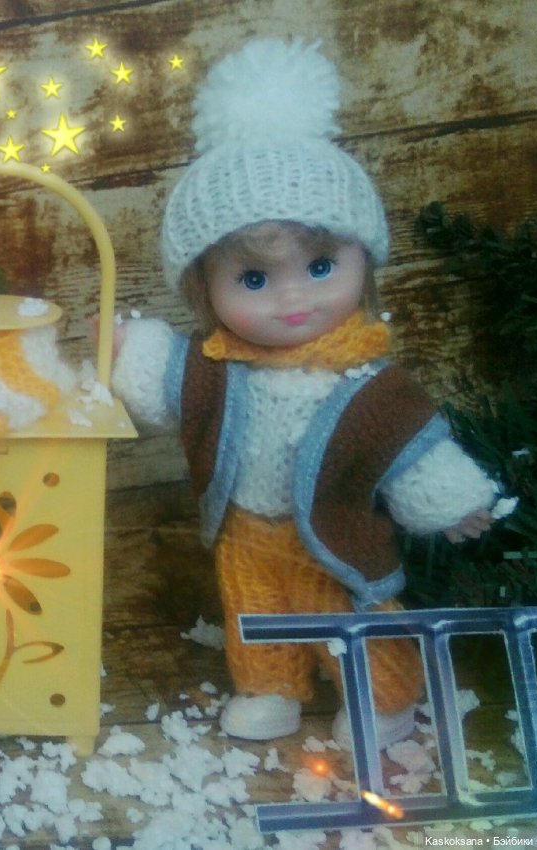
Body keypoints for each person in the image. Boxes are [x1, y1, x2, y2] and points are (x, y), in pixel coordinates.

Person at [109, 38, 495, 745]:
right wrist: (126, 352)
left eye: (320, 266)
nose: (292, 299)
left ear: (363, 258)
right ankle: (270, 687)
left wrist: (450, 500)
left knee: (354, 617)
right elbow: (170, 385)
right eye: (253, 279)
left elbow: (405, 448)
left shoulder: (368, 382)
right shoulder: (220, 365)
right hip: (243, 532)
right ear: (205, 288)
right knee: (253, 612)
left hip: (334, 535)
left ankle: (383, 699)